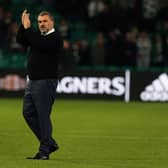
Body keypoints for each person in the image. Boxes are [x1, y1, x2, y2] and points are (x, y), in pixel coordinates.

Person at [16, 10, 63, 160]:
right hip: (32, 81)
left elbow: (39, 44)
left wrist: (29, 29)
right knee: (28, 113)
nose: (42, 24)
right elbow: (20, 39)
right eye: (40, 21)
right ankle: (49, 142)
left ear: (52, 22)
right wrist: (23, 26)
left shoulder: (55, 37)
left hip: (45, 82)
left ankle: (44, 151)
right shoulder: (37, 36)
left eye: (45, 21)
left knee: (43, 116)